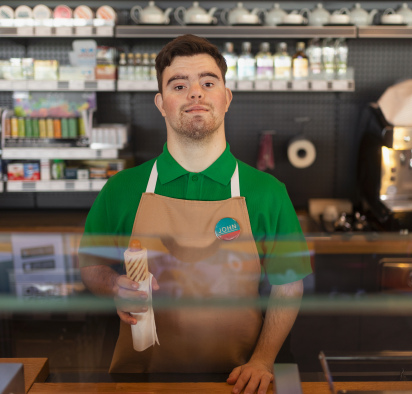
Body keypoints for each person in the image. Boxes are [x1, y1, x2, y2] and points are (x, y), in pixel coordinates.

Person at [79, 34, 311, 394]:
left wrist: (263, 360)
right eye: (179, 84)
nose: (195, 93)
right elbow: (91, 266)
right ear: (161, 103)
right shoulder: (121, 190)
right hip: (143, 381)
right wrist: (112, 285)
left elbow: (289, 283)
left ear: (226, 97)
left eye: (207, 82)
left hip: (240, 379)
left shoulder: (267, 193)